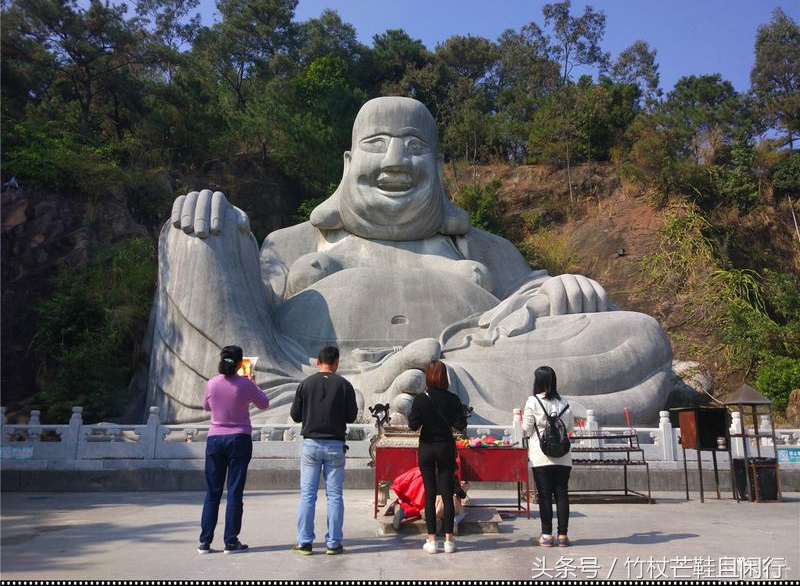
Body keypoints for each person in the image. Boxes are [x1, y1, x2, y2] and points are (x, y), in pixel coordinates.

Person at [151, 96, 673, 428]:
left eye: (413, 146)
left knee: (641, 336)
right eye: (377, 144)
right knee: (198, 235)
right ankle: (318, 393)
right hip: (293, 370)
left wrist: (560, 288)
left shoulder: (483, 248)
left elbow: (538, 300)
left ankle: (411, 391)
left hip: (458, 366)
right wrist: (219, 231)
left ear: (438, 168)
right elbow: (245, 318)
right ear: (349, 164)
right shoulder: (294, 242)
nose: (396, 160)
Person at [198, 345, 270, 554]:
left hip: (215, 439)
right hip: (239, 438)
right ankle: (230, 541)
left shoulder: (211, 383)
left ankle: (205, 541)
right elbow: (264, 404)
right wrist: (254, 385)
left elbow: (206, 407)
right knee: (234, 491)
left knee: (212, 492)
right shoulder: (245, 384)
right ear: (240, 364)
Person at [290, 346, 358, 555]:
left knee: (308, 495)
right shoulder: (345, 385)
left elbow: (296, 416)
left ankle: (304, 542)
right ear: (337, 362)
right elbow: (351, 417)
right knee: (335, 496)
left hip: (311, 444)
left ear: (318, 362)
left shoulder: (305, 384)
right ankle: (334, 542)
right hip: (335, 445)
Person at [408, 360, 468, 554]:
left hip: (427, 447)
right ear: (445, 377)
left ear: (428, 376)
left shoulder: (420, 399)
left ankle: (432, 540)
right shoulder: (453, 399)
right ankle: (449, 540)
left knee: (430, 493)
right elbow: (460, 425)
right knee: (447, 494)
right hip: (446, 447)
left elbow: (413, 425)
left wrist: (423, 417)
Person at [523, 365, 574, 548]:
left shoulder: (533, 401)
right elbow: (570, 429)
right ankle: (562, 536)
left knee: (544, 495)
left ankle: (546, 535)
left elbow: (526, 428)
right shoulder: (565, 402)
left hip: (541, 455)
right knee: (561, 494)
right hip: (563, 456)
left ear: (538, 381)